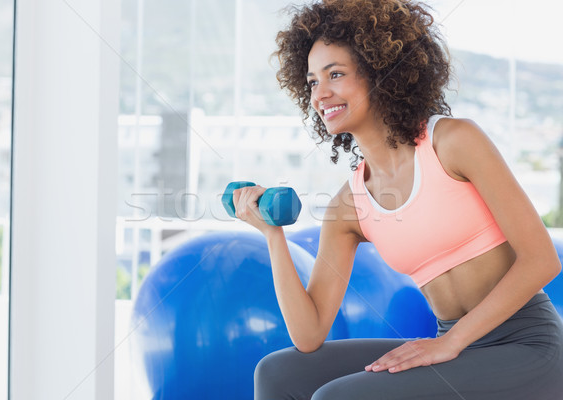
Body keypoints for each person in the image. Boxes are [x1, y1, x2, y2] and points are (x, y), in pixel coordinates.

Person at [232, 0, 563, 398]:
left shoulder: (453, 142)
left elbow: (542, 260)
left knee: (337, 397)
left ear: (380, 74)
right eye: (312, 81)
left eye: (335, 74)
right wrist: (273, 236)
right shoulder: (348, 207)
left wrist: (450, 343)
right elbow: (309, 334)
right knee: (278, 374)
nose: (321, 94)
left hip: (525, 344)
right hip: (452, 345)